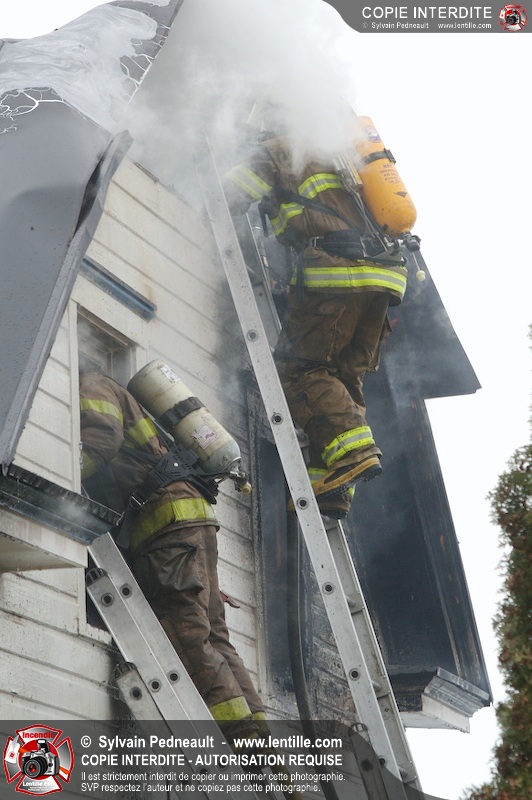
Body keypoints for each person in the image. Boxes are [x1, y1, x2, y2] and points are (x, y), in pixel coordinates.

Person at [222, 91, 408, 519]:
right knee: (342, 375)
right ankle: (334, 484)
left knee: (298, 370)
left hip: (337, 273)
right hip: (383, 279)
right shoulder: (346, 158)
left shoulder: (280, 149)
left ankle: (353, 454)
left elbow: (227, 194)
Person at [79, 368, 265, 744]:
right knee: (215, 635)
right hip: (192, 518)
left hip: (167, 520)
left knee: (186, 632)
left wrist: (59, 466)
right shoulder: (126, 399)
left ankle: (242, 743)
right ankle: (264, 748)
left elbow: (103, 438)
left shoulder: (90, 382)